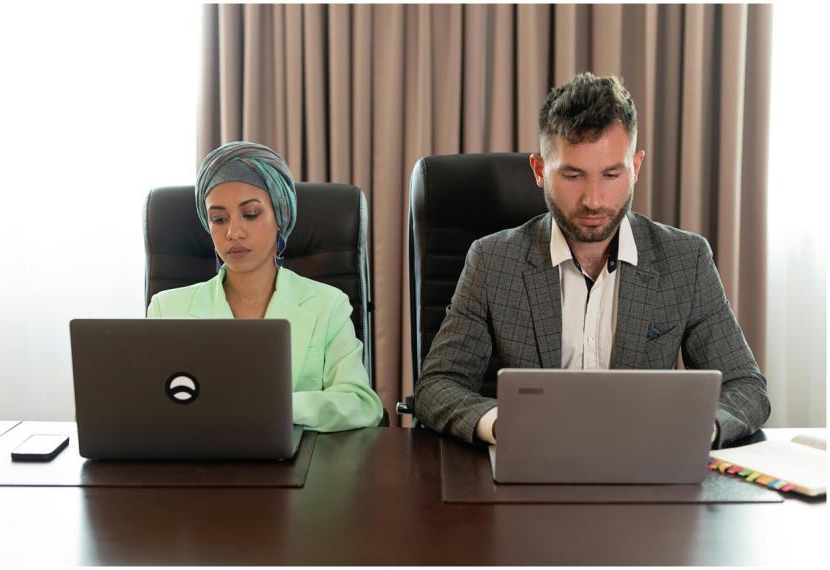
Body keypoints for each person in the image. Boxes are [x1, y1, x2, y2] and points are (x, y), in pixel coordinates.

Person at [414, 72, 770, 448]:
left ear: (636, 167)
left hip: (645, 468)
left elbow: (745, 387)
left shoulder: (686, 260)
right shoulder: (492, 260)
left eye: (612, 174)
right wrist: (504, 425)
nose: (594, 200)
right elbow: (436, 387)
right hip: (533, 465)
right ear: (539, 171)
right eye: (572, 175)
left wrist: (700, 429)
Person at [147, 141, 383, 432]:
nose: (233, 232)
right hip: (200, 465)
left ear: (280, 218)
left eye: (251, 214)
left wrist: (273, 406)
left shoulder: (327, 304)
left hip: (297, 466)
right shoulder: (167, 309)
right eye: (219, 219)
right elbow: (151, 406)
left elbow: (361, 404)